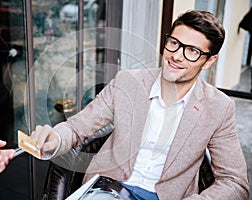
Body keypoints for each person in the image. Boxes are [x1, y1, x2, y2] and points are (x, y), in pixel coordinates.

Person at [31, 10, 250, 199]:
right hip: (109, 189)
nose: (176, 56)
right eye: (174, 43)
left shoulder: (219, 107)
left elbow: (235, 182)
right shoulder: (128, 82)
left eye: (192, 51)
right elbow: (77, 128)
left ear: (209, 61)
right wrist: (55, 139)